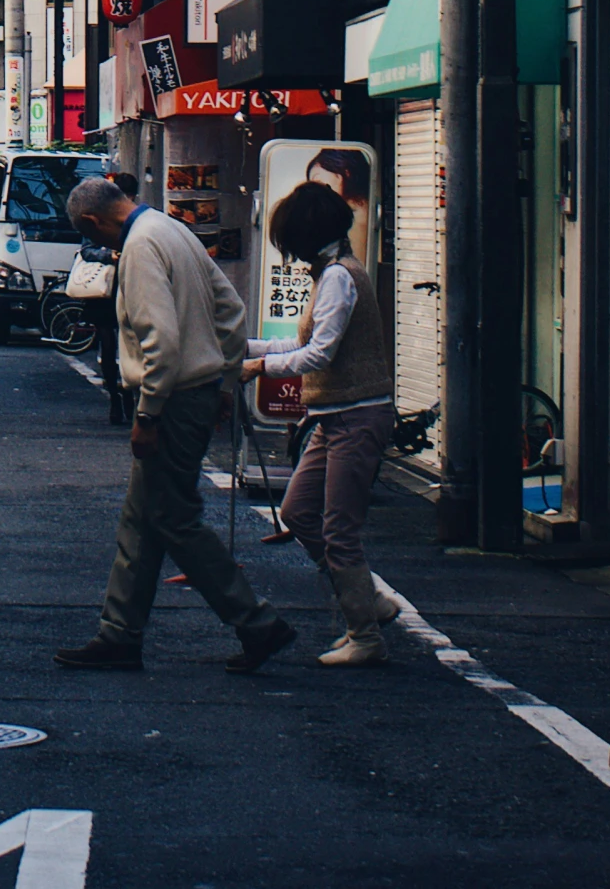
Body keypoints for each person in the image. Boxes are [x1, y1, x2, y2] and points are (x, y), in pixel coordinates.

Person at [55, 176, 294, 677]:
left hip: (170, 398)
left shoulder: (139, 248)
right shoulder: (172, 229)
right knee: (143, 519)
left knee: (172, 518)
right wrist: (225, 382)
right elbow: (230, 309)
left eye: (92, 235)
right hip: (198, 391)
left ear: (94, 222)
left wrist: (147, 415)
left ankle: (256, 621)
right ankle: (119, 633)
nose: (98, 245)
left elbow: (158, 340)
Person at [242, 178, 397, 668]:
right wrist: (246, 349)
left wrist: (258, 365)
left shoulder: (338, 277)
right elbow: (300, 343)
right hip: (332, 419)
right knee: (299, 513)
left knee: (338, 531)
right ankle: (367, 601)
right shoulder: (330, 271)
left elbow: (318, 353)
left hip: (356, 416)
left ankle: (365, 635)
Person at [87, 169, 138, 427]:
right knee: (108, 346)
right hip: (106, 292)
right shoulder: (101, 216)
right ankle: (115, 401)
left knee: (129, 345)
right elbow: (86, 249)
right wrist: (109, 255)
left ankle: (128, 397)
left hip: (130, 290)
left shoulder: (141, 220)